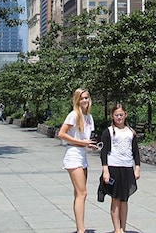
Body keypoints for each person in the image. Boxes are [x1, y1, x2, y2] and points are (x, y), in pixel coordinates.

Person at [57, 88, 98, 233]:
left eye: (86, 98)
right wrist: (81, 143)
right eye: (82, 98)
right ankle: (81, 230)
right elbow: (61, 134)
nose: (85, 101)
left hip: (83, 155)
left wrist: (89, 144)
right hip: (73, 154)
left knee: (79, 193)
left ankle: (80, 227)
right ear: (77, 100)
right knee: (83, 193)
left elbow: (85, 138)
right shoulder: (73, 115)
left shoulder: (88, 117)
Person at [98, 104, 141, 233]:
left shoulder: (130, 132)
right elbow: (103, 152)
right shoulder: (108, 132)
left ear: (125, 115)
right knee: (115, 199)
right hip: (113, 167)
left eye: (121, 114)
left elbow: (135, 151)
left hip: (127, 168)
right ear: (113, 116)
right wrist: (105, 170)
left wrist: (137, 167)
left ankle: (123, 227)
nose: (119, 117)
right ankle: (117, 229)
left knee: (124, 199)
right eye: (116, 115)